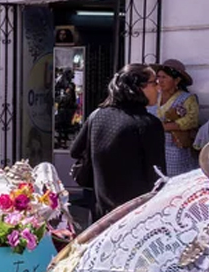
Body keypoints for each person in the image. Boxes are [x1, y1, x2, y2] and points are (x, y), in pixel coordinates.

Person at [71, 64, 166, 221]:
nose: (158, 88)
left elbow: (75, 151)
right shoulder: (147, 124)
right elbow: (157, 176)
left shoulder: (98, 115)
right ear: (137, 87)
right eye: (154, 83)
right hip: (135, 217)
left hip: (101, 214)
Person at [150, 59, 200, 176]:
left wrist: (162, 127)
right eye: (158, 77)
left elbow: (192, 121)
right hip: (154, 148)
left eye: (164, 77)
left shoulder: (187, 98)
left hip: (176, 150)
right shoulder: (153, 96)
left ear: (176, 80)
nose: (159, 81)